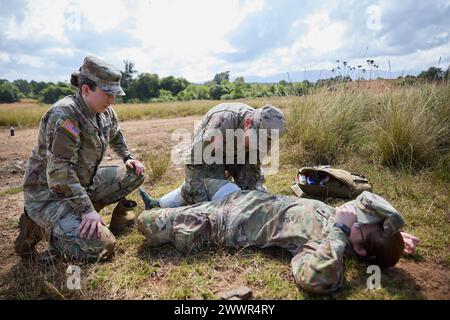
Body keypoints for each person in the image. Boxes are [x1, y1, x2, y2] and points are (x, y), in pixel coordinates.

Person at [137, 186, 418, 294]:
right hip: (241, 196)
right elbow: (360, 206)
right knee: (198, 183)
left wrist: (340, 234)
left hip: (219, 222)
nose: (351, 215)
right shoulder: (346, 220)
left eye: (358, 224)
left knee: (146, 223)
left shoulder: (326, 242)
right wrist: (388, 234)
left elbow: (313, 279)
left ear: (356, 246)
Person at [15, 56, 145, 262]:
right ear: (86, 89)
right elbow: (59, 175)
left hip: (81, 184)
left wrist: (127, 157)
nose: (113, 101)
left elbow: (116, 134)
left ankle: (80, 215)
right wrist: (87, 210)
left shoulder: (104, 111)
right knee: (102, 247)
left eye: (115, 94)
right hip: (49, 194)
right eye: (108, 94)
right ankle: (40, 227)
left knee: (135, 174)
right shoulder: (65, 117)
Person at [139, 102, 286, 209]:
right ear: (247, 123)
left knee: (253, 196)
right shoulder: (220, 125)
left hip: (238, 154)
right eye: (255, 139)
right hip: (212, 154)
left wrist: (250, 190)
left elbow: (253, 167)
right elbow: (194, 164)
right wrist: (202, 205)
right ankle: (157, 204)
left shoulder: (266, 131)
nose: (257, 145)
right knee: (209, 193)